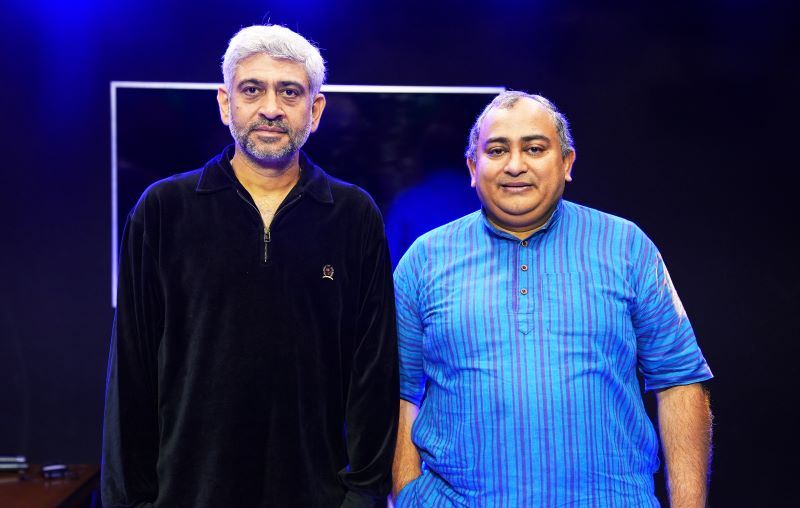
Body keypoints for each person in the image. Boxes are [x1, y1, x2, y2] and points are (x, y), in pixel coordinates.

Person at [102, 25, 398, 508]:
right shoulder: (163, 210)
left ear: (315, 110)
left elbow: (373, 373)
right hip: (186, 494)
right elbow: (131, 374)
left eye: (290, 92)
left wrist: (364, 497)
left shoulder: (354, 216)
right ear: (226, 104)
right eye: (252, 89)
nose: (271, 108)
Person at [391, 91, 713, 507]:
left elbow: (680, 381)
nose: (515, 165)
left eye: (534, 148)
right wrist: (406, 495)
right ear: (473, 167)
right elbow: (400, 394)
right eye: (497, 150)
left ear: (566, 163)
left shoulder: (626, 247)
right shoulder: (424, 260)